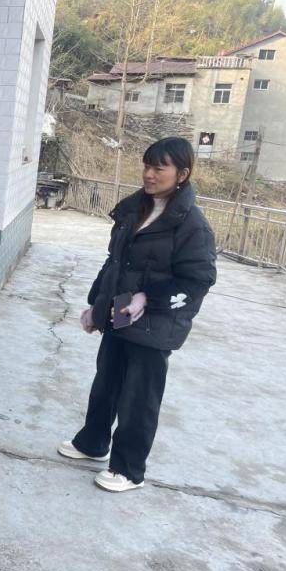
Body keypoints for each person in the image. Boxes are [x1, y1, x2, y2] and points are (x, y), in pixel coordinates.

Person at [58, 137, 217, 492]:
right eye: (146, 166)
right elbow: (115, 262)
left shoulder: (192, 225)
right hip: (120, 315)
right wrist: (97, 307)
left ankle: (129, 470)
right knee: (106, 384)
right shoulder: (136, 209)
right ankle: (93, 443)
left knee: (139, 399)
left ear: (182, 174)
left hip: (155, 326)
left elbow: (198, 280)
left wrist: (149, 297)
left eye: (159, 168)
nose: (149, 174)